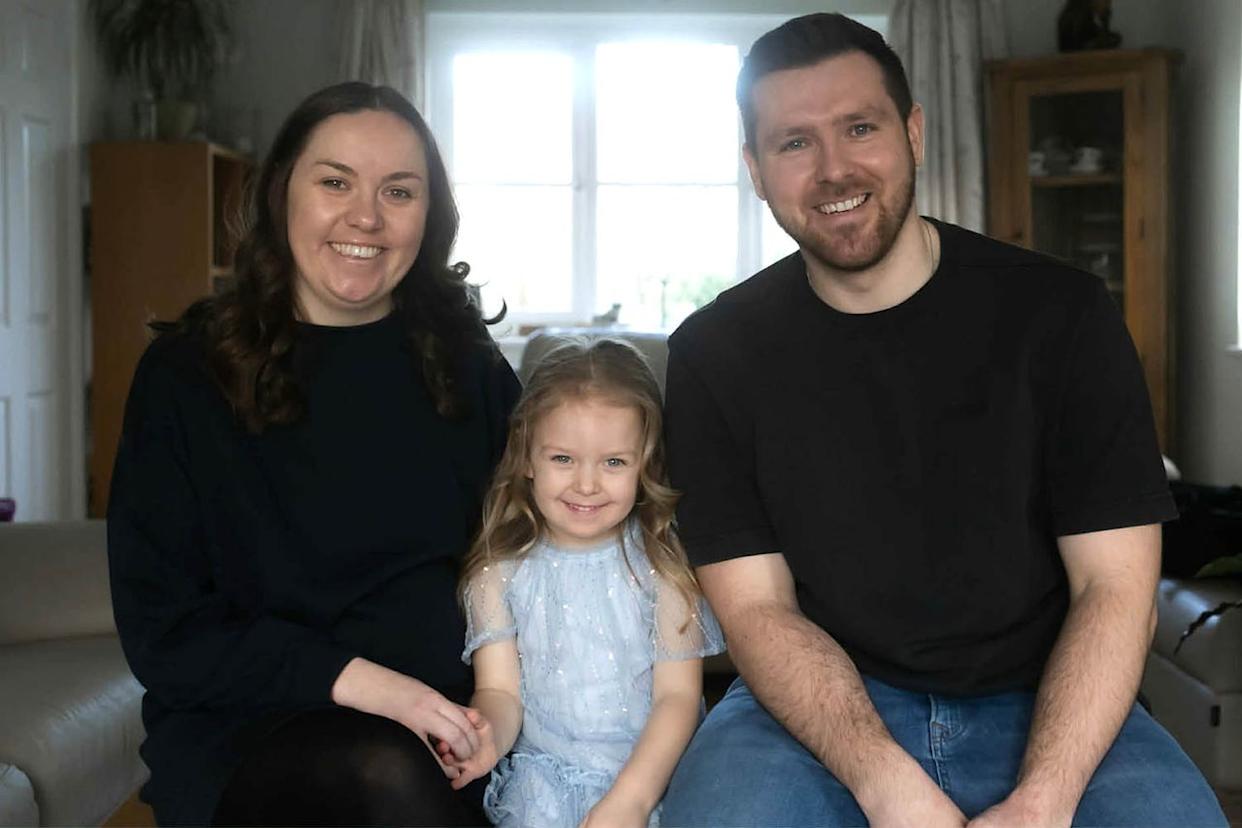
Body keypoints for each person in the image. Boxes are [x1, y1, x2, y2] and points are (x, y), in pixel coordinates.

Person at [660, 13, 1226, 828]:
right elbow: (757, 611)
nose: (834, 168)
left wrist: (1045, 799)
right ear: (755, 169)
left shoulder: (1065, 317)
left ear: (914, 133)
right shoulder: (712, 355)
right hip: (815, 709)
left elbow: (1115, 588)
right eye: (795, 142)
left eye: (860, 127)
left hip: (1052, 696)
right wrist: (885, 784)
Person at [107, 82, 520, 826]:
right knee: (385, 771)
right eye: (335, 182)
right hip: (253, 722)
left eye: (399, 191)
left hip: (457, 712)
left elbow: (529, 556)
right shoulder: (184, 377)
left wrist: (497, 702)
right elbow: (165, 633)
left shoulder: (469, 366)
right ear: (281, 194)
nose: (366, 216)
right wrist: (375, 688)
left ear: (429, 216)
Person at [444, 337, 725, 827]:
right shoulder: (496, 574)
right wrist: (486, 736)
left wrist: (631, 801)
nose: (587, 484)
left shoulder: (662, 567)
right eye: (563, 459)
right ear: (526, 457)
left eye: (614, 462)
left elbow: (677, 699)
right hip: (545, 783)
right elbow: (502, 693)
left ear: (645, 463)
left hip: (651, 777)